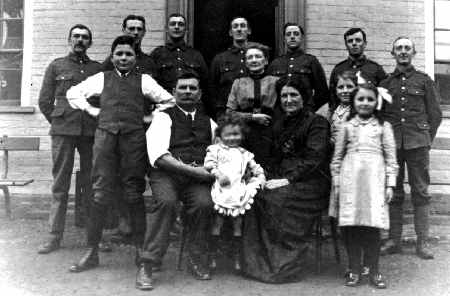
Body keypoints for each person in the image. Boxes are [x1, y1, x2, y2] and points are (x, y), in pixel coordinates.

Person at [65, 35, 175, 291]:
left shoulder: (144, 80)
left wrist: (149, 117)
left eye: (129, 54)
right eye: (119, 54)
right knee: (100, 193)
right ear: (112, 56)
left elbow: (169, 101)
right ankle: (91, 251)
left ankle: (140, 251)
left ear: (136, 57)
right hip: (105, 141)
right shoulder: (101, 78)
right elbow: (73, 93)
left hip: (134, 141)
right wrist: (93, 111)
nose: (124, 58)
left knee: (133, 193)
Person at [241, 77, 331, 283]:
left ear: (304, 97)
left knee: (276, 200)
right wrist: (261, 176)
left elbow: (314, 159)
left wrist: (287, 180)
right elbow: (272, 157)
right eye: (284, 96)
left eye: (294, 95)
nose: (288, 100)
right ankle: (256, 263)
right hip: (281, 178)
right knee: (254, 194)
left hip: (311, 182)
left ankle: (282, 265)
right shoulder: (280, 123)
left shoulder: (317, 122)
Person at [143, 72, 217, 289]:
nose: (187, 92)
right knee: (166, 203)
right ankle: (148, 263)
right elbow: (159, 156)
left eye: (192, 88)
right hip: (167, 175)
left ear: (200, 94)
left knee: (205, 204)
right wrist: (195, 172)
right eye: (182, 88)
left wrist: (213, 170)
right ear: (174, 93)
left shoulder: (209, 123)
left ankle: (195, 258)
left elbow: (218, 153)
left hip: (196, 180)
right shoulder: (163, 117)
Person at [37, 24, 102, 254]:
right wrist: (58, 121)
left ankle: (94, 237)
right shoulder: (56, 66)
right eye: (76, 36)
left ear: (90, 43)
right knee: (60, 184)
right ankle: (54, 236)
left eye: (85, 37)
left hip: (90, 132)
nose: (80, 40)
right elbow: (44, 101)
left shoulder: (97, 68)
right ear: (69, 40)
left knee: (92, 183)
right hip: (63, 131)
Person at [380, 37, 442, 259]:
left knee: (421, 192)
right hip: (393, 145)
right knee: (394, 192)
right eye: (399, 48)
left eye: (407, 48)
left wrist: (425, 139)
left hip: (418, 144)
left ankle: (422, 242)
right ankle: (393, 240)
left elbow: (435, 114)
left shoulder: (424, 81)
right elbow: (381, 116)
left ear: (414, 53)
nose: (403, 52)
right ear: (392, 53)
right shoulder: (386, 84)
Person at [331, 84, 398, 289]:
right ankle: (354, 268)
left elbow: (391, 159)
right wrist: (337, 182)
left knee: (372, 227)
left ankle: (374, 269)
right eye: (360, 99)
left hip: (374, 183)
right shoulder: (347, 127)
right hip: (350, 182)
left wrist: (390, 184)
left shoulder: (383, 127)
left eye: (370, 99)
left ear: (376, 102)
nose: (365, 103)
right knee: (351, 227)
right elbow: (337, 158)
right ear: (353, 102)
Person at [204, 114, 265, 272]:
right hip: (222, 189)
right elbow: (209, 165)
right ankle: (212, 256)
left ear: (242, 135)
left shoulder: (244, 153)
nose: (232, 138)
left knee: (238, 224)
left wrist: (261, 176)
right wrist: (219, 175)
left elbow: (255, 167)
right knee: (218, 223)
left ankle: (238, 257)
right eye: (228, 134)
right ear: (220, 136)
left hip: (237, 191)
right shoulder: (215, 150)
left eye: (236, 134)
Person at [226, 43, 279, 168]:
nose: (254, 60)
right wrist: (253, 117)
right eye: (250, 57)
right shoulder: (238, 83)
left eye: (258, 56)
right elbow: (229, 114)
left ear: (265, 61)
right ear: (245, 62)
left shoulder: (276, 82)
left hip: (270, 133)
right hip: (244, 134)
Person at [150, 13, 210, 114]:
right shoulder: (157, 54)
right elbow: (151, 85)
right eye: (173, 24)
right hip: (165, 108)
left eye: (180, 24)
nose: (177, 27)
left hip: (191, 109)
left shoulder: (196, 55)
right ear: (166, 29)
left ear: (186, 30)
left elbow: (206, 85)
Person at [268, 22, 329, 111]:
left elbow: (322, 93)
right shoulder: (275, 64)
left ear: (302, 38)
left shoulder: (311, 61)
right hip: (281, 114)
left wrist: (309, 109)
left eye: (296, 34)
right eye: (288, 34)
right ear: (284, 39)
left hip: (305, 114)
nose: (292, 37)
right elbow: (269, 92)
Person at [329, 28, 387, 111]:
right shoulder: (338, 69)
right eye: (350, 41)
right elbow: (333, 101)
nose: (354, 43)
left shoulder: (376, 69)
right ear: (346, 45)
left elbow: (384, 99)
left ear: (365, 44)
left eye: (358, 40)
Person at [209, 17, 251, 119]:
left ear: (249, 31)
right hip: (227, 115)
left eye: (243, 26)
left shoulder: (256, 57)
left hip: (252, 114)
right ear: (230, 32)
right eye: (235, 26)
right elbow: (212, 88)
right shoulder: (220, 59)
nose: (239, 29)